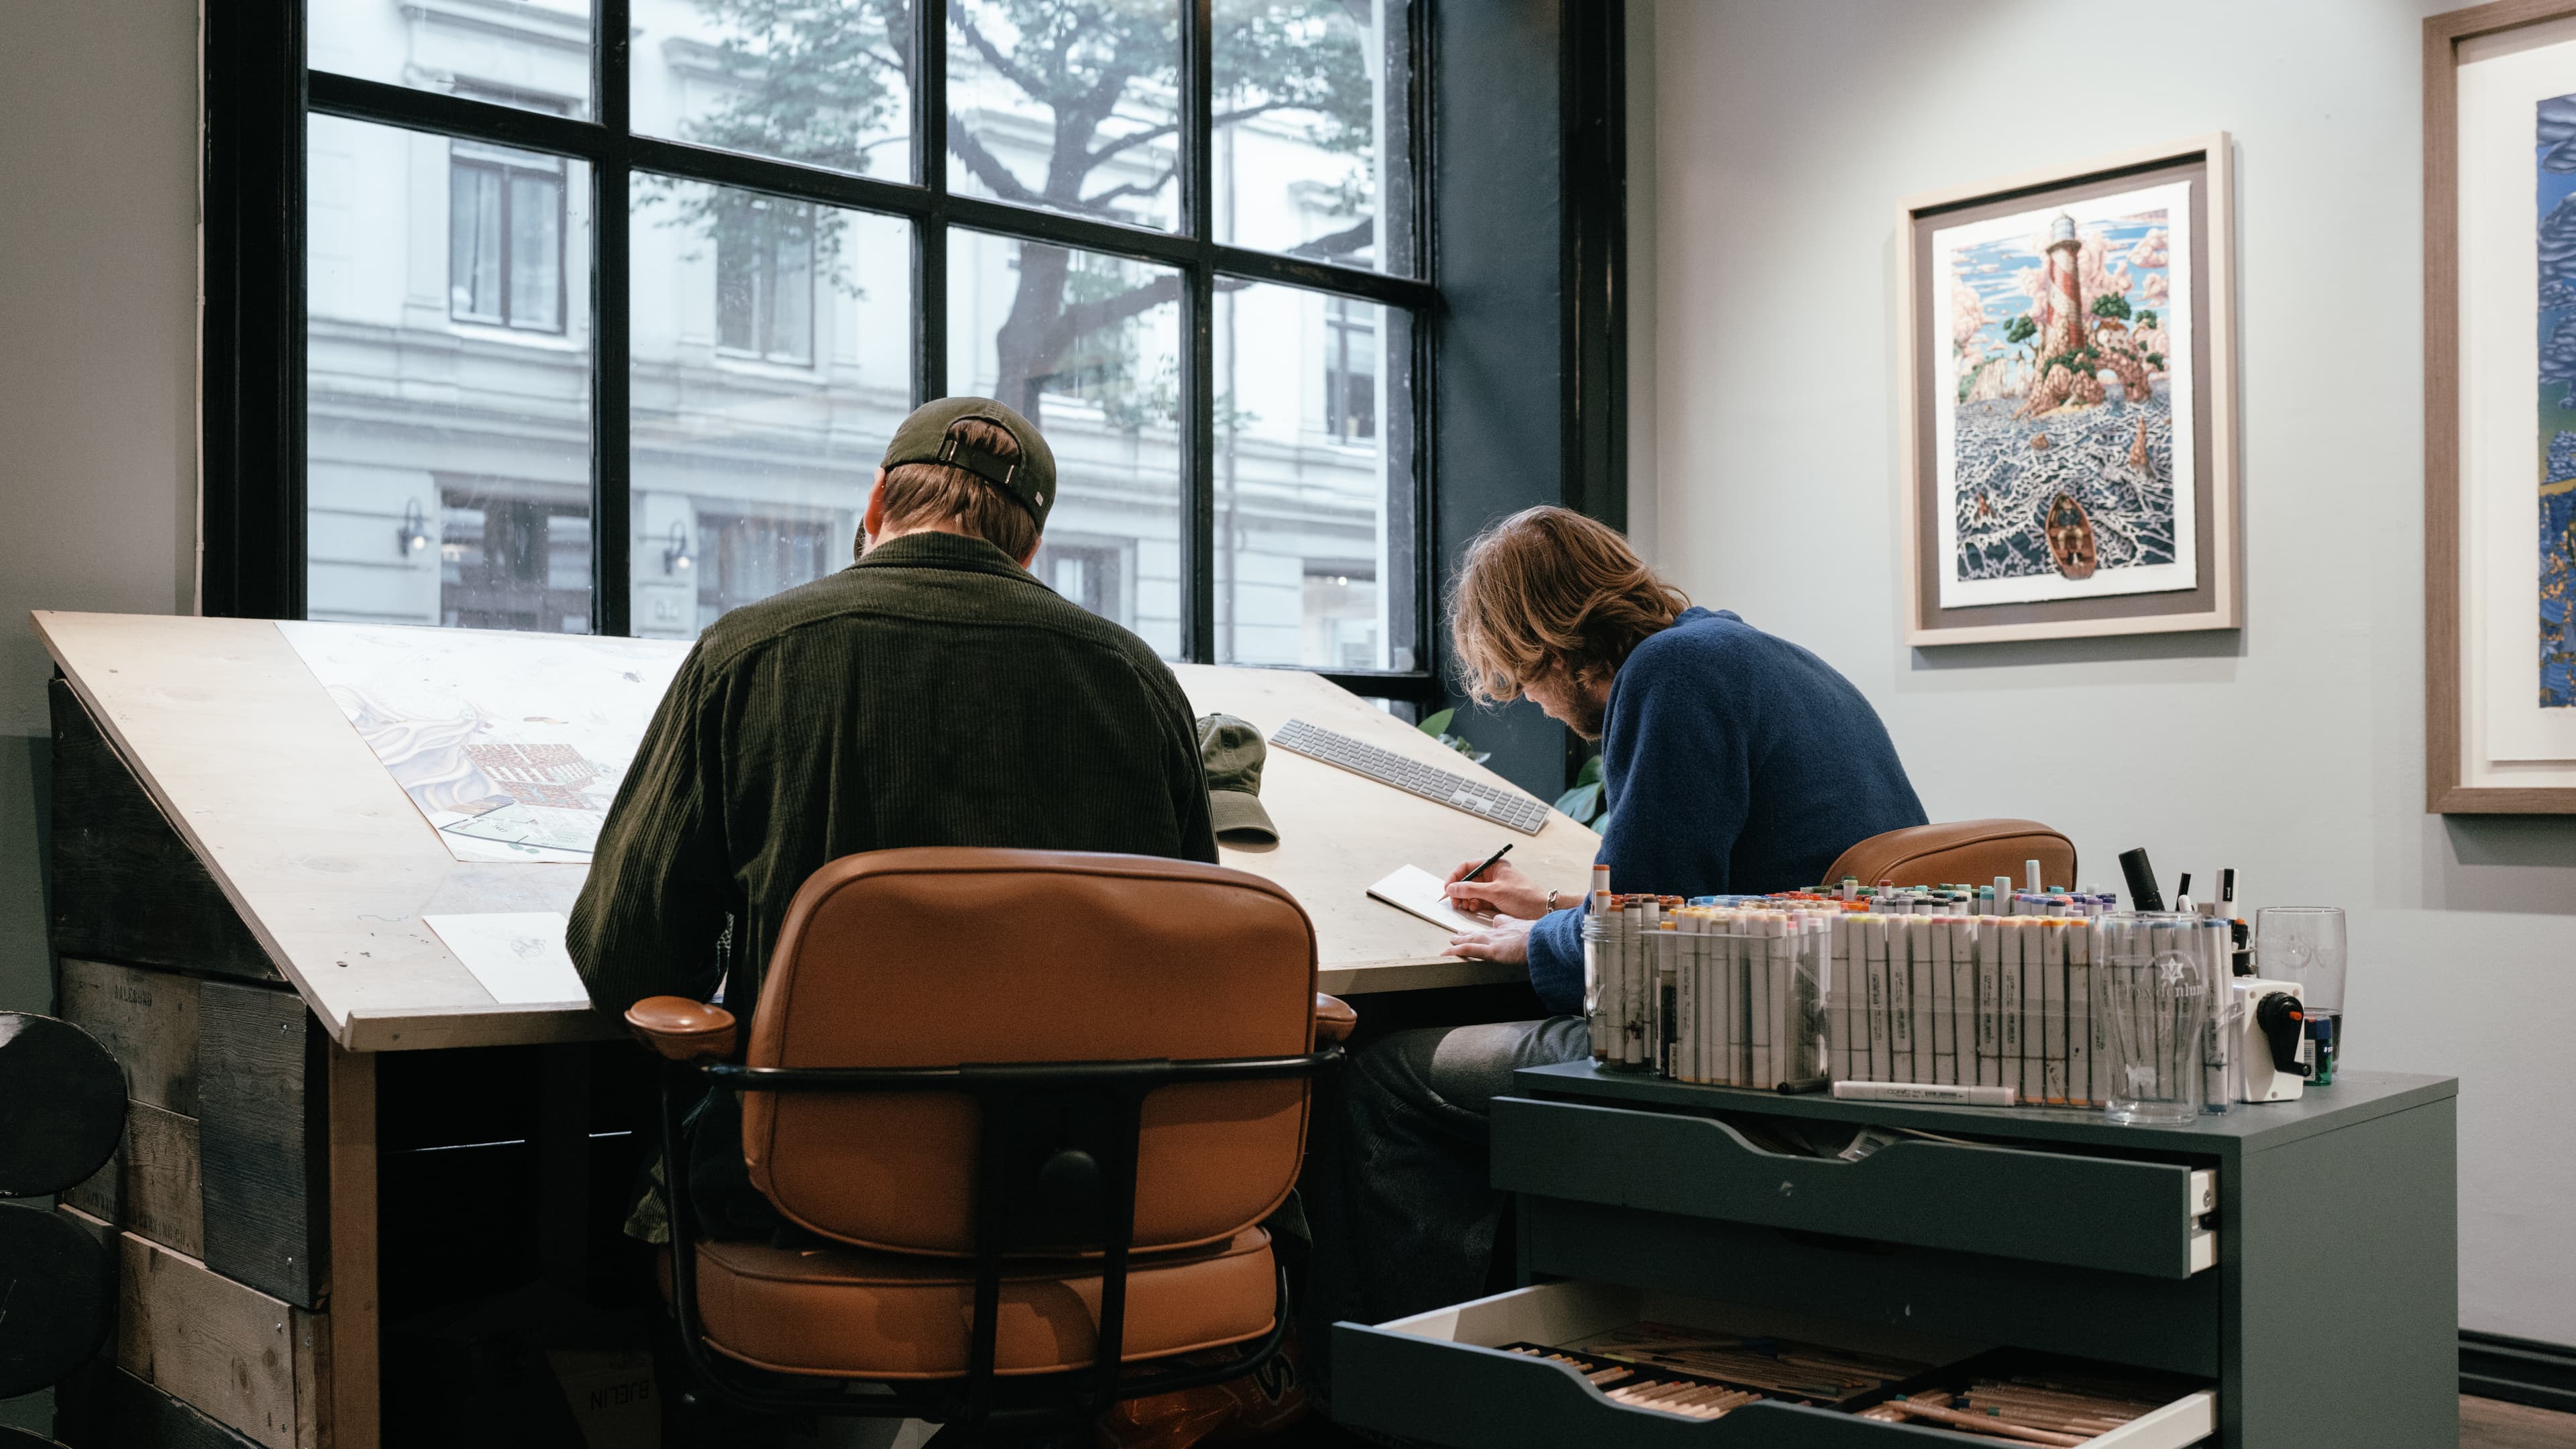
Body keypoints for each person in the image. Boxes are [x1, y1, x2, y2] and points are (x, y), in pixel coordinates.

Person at [568, 396, 1217, 1240]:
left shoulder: (750, 653)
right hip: (1084, 1194)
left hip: (800, 1199)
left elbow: (626, 960)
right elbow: (1197, 947)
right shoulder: (1138, 679)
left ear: (875, 504)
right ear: (1030, 547)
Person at [1305, 505, 1927, 1345]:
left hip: (1751, 1046)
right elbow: (1711, 898)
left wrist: (1538, 944)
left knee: (1385, 1077)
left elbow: (1643, 948)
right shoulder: (1765, 658)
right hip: (1844, 1034)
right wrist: (1555, 909)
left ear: (1549, 646)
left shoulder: (1673, 674)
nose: (1532, 702)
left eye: (1520, 679)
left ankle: (1392, 1386)